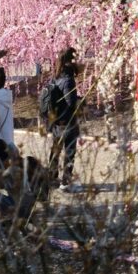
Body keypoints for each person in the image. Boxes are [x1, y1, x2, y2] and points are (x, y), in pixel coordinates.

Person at [48, 48, 81, 187]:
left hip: (55, 121)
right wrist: (80, 101)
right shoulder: (68, 79)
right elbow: (70, 103)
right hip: (66, 121)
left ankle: (51, 177)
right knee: (69, 151)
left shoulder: (56, 77)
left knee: (56, 150)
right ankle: (65, 182)